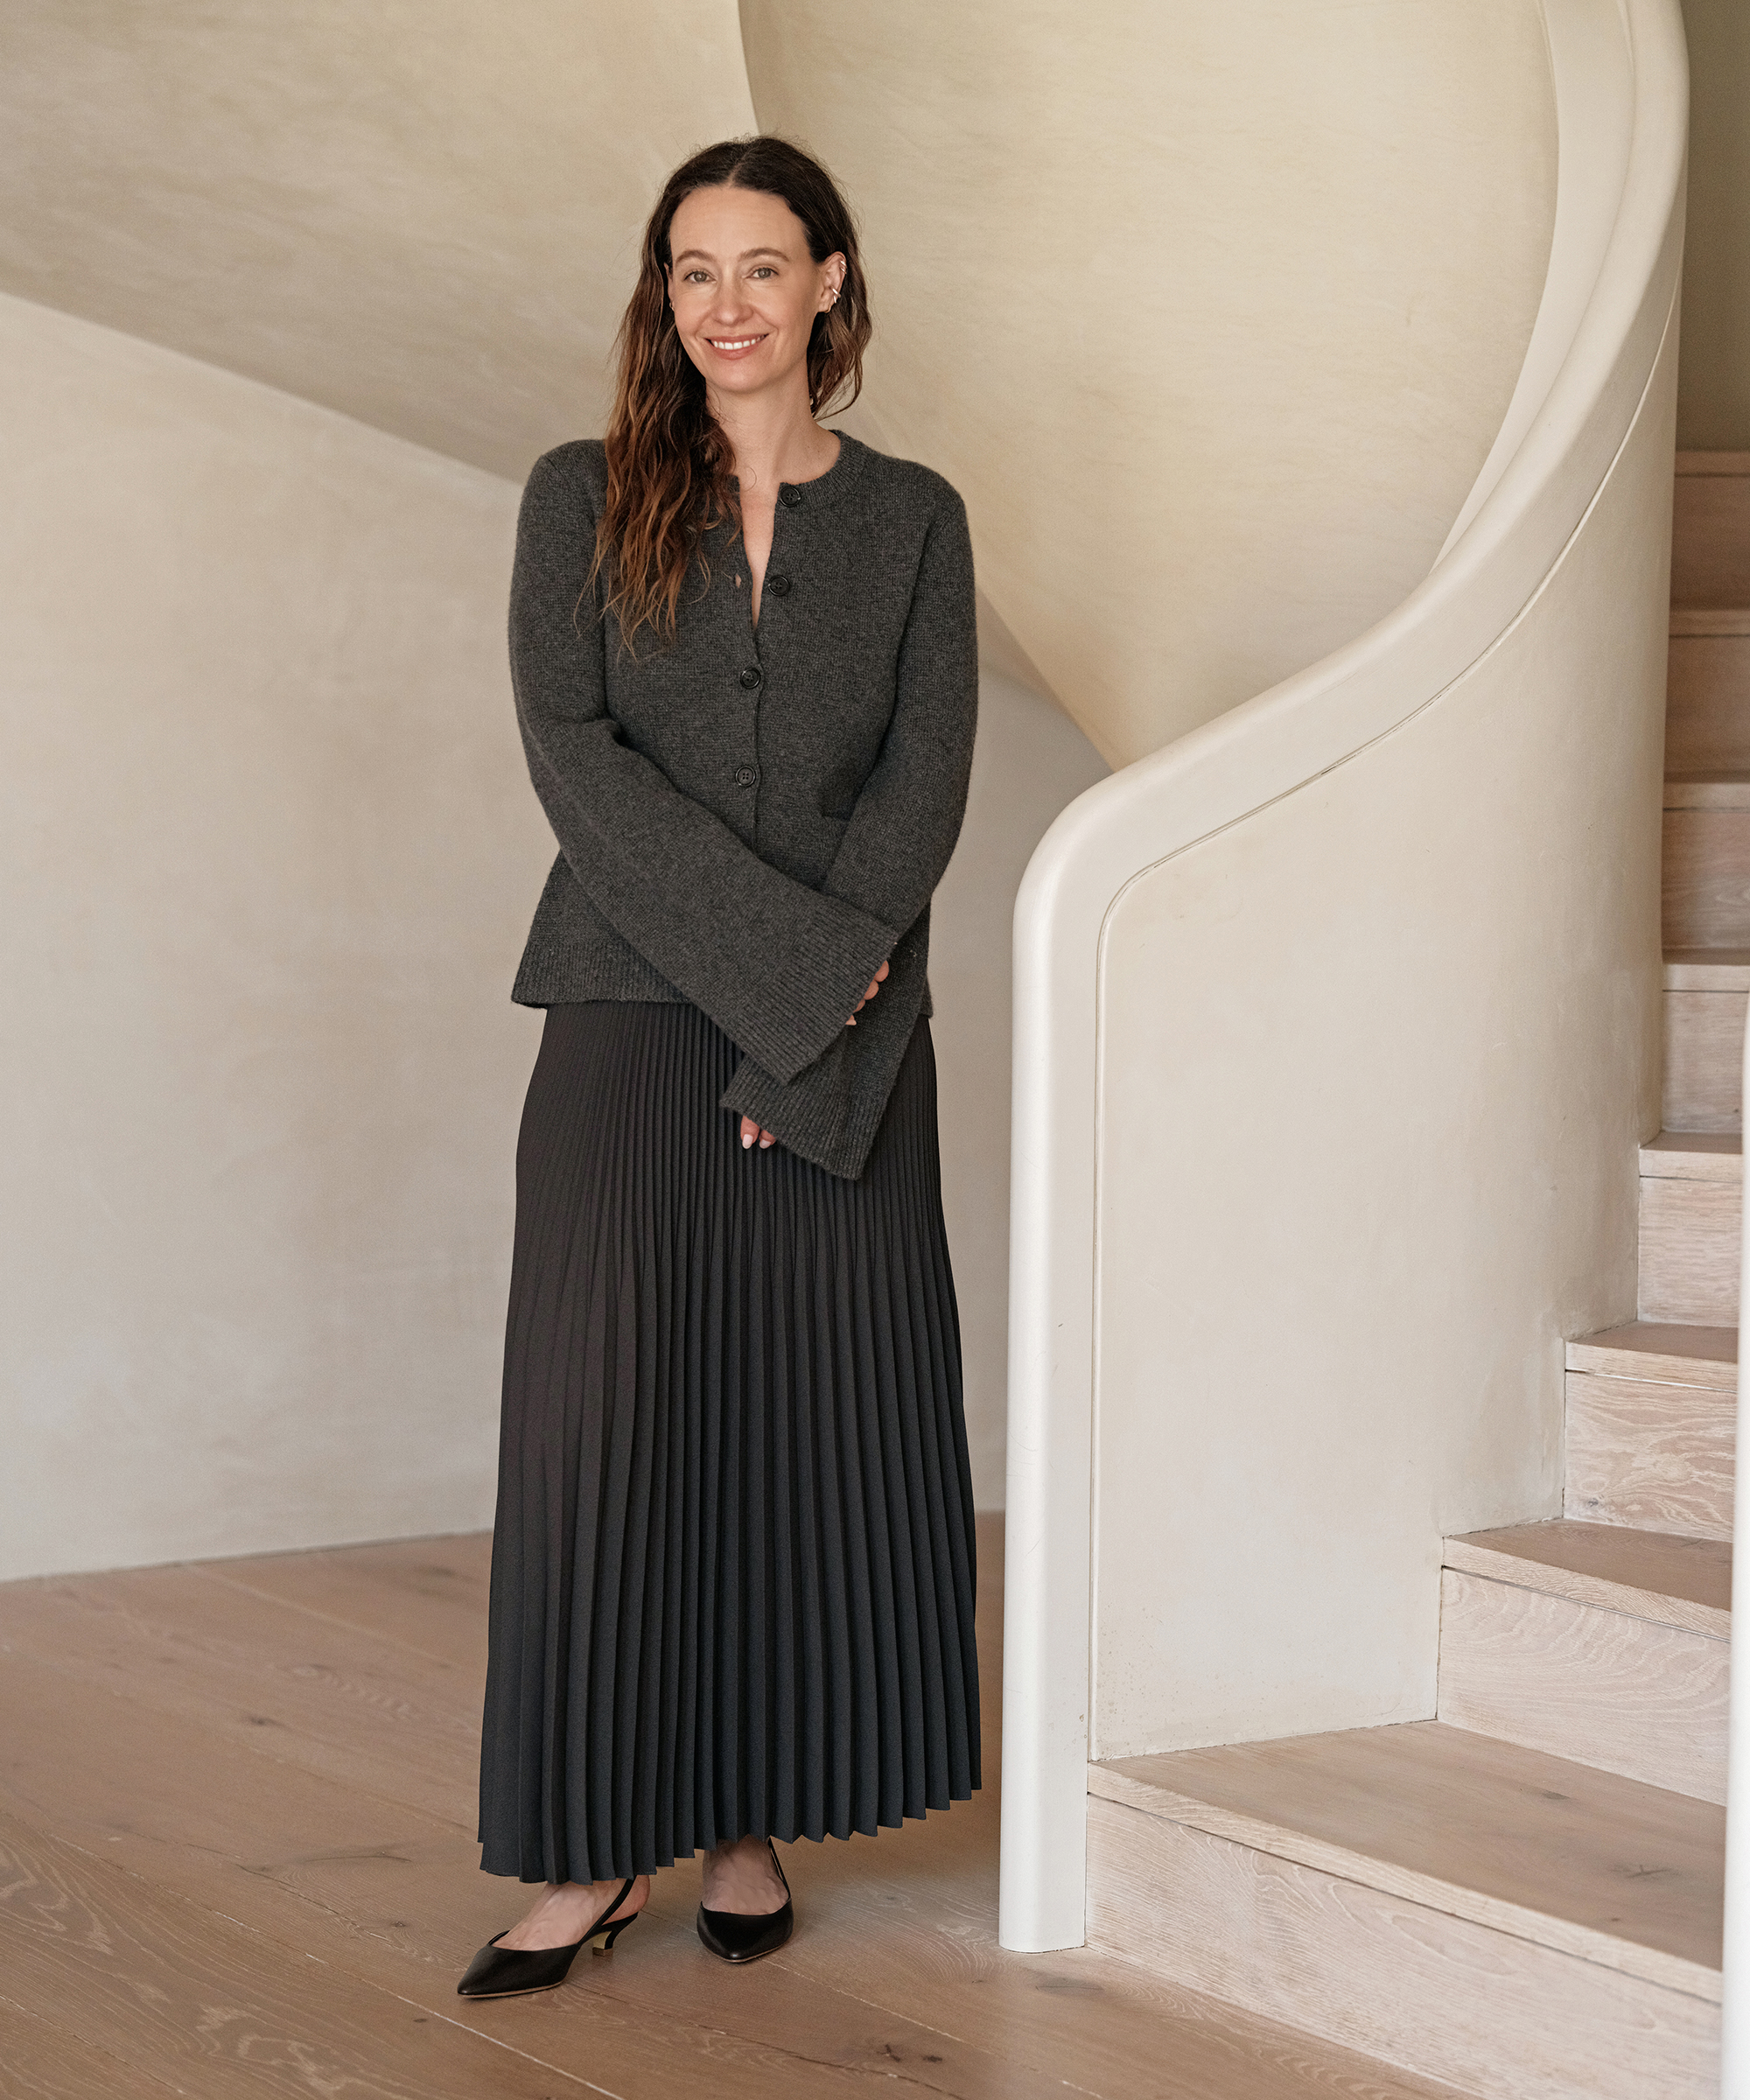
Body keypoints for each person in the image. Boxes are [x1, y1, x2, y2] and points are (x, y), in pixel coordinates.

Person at [458, 134, 981, 2001]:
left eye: (765, 266)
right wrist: (783, 988)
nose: (728, 305)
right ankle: (591, 1845)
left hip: (845, 1039)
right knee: (604, 1428)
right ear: (659, 291)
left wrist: (810, 1020)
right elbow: (573, 761)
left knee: (794, 1428)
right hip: (627, 1015)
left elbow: (920, 793)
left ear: (830, 284)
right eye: (694, 269)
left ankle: (748, 1818)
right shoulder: (574, 495)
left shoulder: (915, 518)